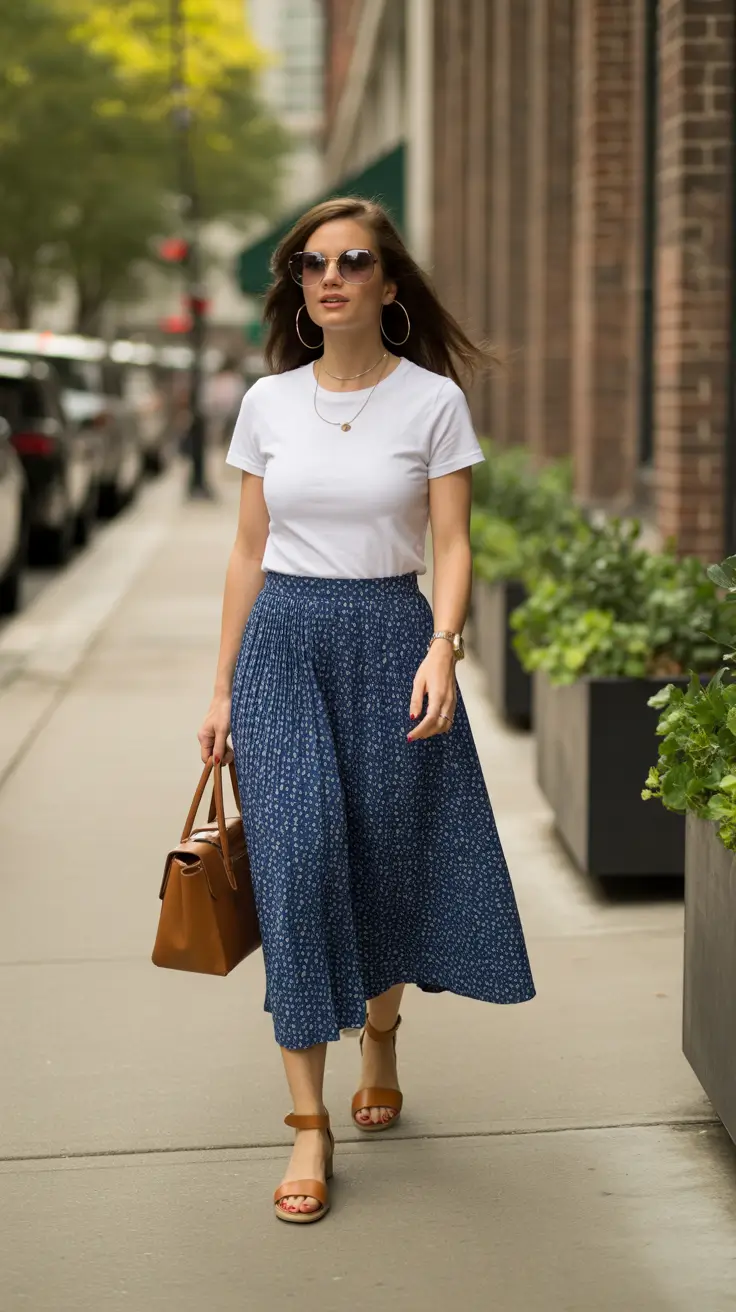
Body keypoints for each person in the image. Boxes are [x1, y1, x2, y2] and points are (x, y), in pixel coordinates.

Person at [197, 197, 535, 1225]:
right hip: (283, 646)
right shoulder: (267, 404)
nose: (329, 276)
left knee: (381, 857)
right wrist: (218, 687)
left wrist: (443, 643)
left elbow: (455, 544)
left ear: (389, 285)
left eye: (352, 261)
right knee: (298, 863)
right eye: (310, 262)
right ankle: (307, 1122)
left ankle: (380, 1033)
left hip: (392, 638)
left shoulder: (431, 402)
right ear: (295, 286)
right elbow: (248, 550)